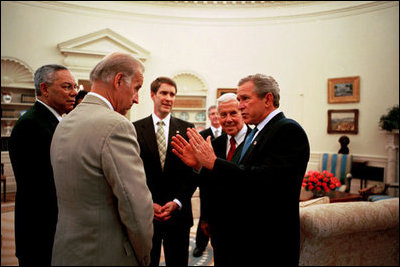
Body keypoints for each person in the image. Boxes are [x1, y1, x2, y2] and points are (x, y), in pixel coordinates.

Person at [172, 74, 310, 265]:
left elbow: (265, 183)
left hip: (266, 246)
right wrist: (199, 166)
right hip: (238, 243)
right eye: (239, 100)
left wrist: (213, 162)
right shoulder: (256, 132)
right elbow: (231, 183)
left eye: (245, 98)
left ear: (268, 99)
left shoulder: (287, 130)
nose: (240, 105)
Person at [50, 52, 154, 266]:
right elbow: (135, 207)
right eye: (136, 88)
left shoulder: (64, 122)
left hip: (66, 251)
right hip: (106, 254)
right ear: (118, 80)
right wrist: (144, 256)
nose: (136, 98)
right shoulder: (116, 125)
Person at [8, 64, 78, 265]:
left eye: (74, 86)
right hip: (41, 233)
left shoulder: (54, 122)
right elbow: (42, 187)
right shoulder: (32, 125)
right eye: (66, 86)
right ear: (45, 89)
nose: (74, 92)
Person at [133, 77, 197, 266]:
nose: (168, 98)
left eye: (172, 94)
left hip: (177, 214)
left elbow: (192, 173)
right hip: (146, 214)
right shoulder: (134, 129)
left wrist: (177, 202)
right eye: (164, 93)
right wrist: (147, 203)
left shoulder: (188, 130)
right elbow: (132, 172)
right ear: (153, 95)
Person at [198, 93, 251, 265]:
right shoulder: (214, 144)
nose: (228, 119)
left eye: (233, 113)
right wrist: (205, 217)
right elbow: (206, 185)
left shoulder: (256, 141)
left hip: (248, 226)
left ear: (242, 113)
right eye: (223, 114)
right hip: (219, 226)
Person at [193, 104, 224, 257]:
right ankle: (200, 245)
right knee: (205, 216)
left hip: (223, 180)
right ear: (209, 116)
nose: (215, 116)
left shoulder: (229, 134)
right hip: (207, 182)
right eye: (212, 114)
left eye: (217, 113)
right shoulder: (203, 135)